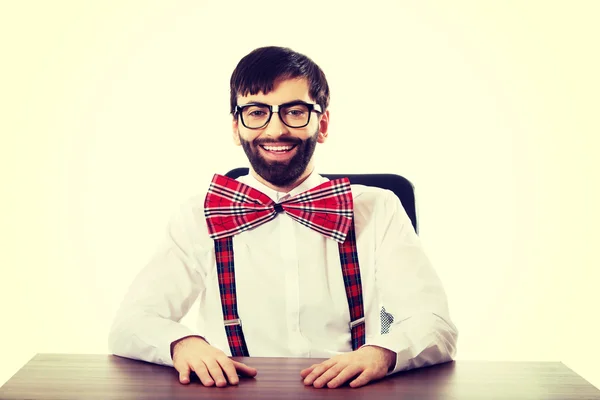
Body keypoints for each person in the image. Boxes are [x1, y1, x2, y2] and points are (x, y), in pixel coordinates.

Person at [108, 46, 458, 389]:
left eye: (294, 111)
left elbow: (435, 324)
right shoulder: (199, 213)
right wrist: (182, 343)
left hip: (348, 393)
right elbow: (130, 323)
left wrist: (381, 353)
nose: (275, 130)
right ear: (236, 127)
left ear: (322, 124)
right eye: (257, 112)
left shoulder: (378, 208)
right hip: (231, 392)